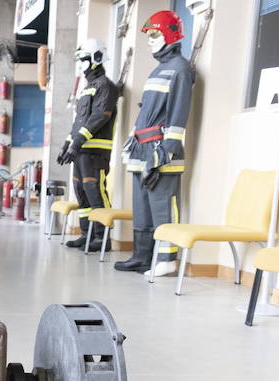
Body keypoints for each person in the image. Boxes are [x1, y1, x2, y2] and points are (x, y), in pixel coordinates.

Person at [114, 10, 194, 276]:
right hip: (142, 146)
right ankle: (143, 255)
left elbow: (179, 112)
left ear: (171, 33)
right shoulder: (159, 69)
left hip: (161, 149)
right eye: (149, 36)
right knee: (142, 206)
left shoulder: (181, 69)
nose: (150, 40)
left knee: (162, 205)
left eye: (155, 34)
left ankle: (166, 258)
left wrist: (167, 152)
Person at [57, 39, 119, 251]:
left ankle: (103, 238)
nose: (81, 63)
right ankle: (87, 234)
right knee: (81, 190)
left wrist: (78, 142)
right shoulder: (87, 88)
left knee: (95, 190)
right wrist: (67, 144)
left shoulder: (106, 86)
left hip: (95, 151)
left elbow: (99, 116)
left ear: (97, 58)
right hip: (81, 149)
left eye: (84, 59)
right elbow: (79, 120)